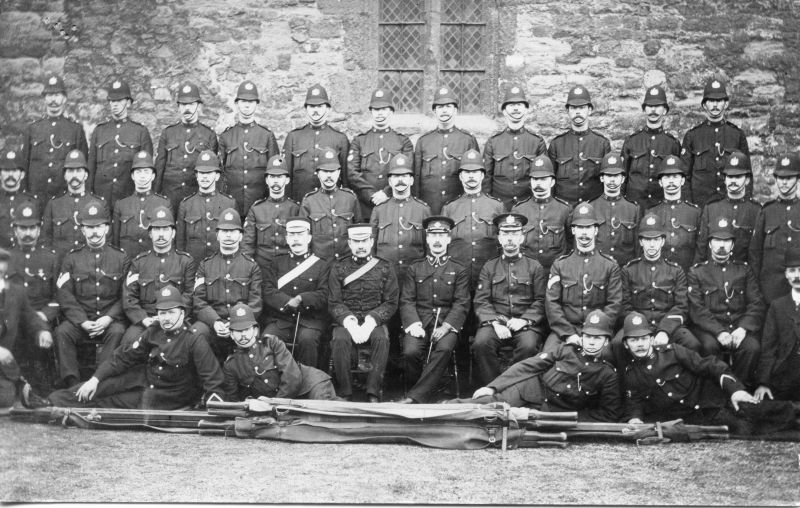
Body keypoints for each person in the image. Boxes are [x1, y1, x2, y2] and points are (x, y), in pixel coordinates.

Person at [46, 284, 226, 410]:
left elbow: (213, 379)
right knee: (100, 386)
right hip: (144, 378)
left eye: (171, 312)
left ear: (182, 313)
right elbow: (123, 358)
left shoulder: (193, 339)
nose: (167, 318)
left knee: (111, 402)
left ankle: (52, 407)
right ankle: (48, 402)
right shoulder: (154, 330)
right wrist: (95, 379)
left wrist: (213, 406)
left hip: (166, 395)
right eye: (162, 313)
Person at [620, 311, 793, 436]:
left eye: (643, 339)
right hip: (697, 422)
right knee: (751, 430)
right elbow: (634, 403)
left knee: (764, 411)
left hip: (715, 403)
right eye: (634, 340)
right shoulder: (631, 374)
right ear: (626, 345)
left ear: (651, 339)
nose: (640, 344)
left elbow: (711, 365)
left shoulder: (673, 352)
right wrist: (635, 419)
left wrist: (735, 390)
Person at [459, 310, 621, 422]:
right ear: (581, 337)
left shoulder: (607, 373)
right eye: (588, 337)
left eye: (598, 338)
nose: (591, 342)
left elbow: (608, 414)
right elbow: (528, 366)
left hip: (552, 410)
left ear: (606, 341)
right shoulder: (565, 350)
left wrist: (567, 418)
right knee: (489, 404)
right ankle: (440, 409)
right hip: (530, 390)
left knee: (499, 419)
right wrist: (493, 387)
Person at [607, 212, 700, 368]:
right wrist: (642, 331)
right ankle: (624, 388)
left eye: (656, 239)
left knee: (693, 344)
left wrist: (664, 330)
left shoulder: (676, 271)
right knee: (617, 344)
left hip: (669, 325)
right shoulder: (629, 270)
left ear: (663, 241)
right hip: (636, 325)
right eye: (647, 240)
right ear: (641, 242)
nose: (652, 245)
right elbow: (624, 307)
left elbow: (681, 307)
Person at [54, 201, 130, 388]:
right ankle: (72, 384)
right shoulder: (71, 258)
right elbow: (64, 295)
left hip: (110, 322)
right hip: (82, 322)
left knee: (119, 332)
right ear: (82, 230)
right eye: (89, 227)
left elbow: (127, 296)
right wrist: (82, 321)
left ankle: (98, 383)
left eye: (98, 227)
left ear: (106, 228)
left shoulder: (121, 258)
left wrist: (109, 318)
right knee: (62, 332)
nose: (94, 232)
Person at [397, 216, 470, 404]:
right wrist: (414, 325)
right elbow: (407, 300)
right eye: (433, 235)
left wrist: (446, 327)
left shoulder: (459, 269)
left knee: (444, 349)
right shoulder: (415, 268)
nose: (437, 240)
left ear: (448, 239)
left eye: (442, 235)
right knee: (410, 352)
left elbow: (461, 302)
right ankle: (426, 390)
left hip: (447, 324)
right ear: (427, 239)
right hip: (420, 322)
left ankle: (415, 397)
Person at [688, 217, 764, 388]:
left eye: (726, 241)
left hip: (738, 326)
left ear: (732, 244)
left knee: (752, 348)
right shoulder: (697, 272)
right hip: (710, 329)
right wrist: (719, 332)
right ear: (709, 244)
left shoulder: (744, 270)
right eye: (717, 240)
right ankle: (717, 392)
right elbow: (696, 309)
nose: (721, 245)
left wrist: (743, 328)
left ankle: (740, 390)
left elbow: (756, 303)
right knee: (709, 347)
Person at [471, 213, 547, 386]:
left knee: (528, 346)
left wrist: (525, 320)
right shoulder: (490, 267)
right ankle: (492, 387)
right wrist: (494, 323)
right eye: (505, 234)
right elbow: (481, 301)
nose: (510, 239)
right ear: (499, 238)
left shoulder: (534, 267)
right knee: (481, 344)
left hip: (525, 324)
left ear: (521, 238)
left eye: (514, 234)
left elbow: (541, 300)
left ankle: (515, 387)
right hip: (496, 323)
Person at [327, 224, 399, 402]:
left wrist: (371, 321)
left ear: (372, 241)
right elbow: (334, 301)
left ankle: (373, 391)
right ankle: (345, 392)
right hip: (346, 321)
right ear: (350, 243)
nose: (360, 246)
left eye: (364, 241)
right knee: (340, 339)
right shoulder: (338, 267)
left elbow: (391, 302)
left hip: (374, 321)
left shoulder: (385, 267)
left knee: (381, 339)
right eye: (356, 241)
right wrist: (349, 322)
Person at [544, 202, 623, 353]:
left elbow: (614, 304)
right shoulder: (560, 265)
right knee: (548, 357)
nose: (584, 233)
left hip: (598, 331)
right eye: (580, 228)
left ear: (595, 230)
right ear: (573, 230)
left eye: (588, 228)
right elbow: (552, 304)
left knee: (606, 357)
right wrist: (568, 334)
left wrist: (595, 332)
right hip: (566, 330)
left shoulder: (610, 266)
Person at [223, 302, 337, 401]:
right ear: (232, 335)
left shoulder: (271, 343)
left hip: (311, 386)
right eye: (238, 331)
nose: (243, 335)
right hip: (287, 403)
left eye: (247, 329)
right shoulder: (231, 365)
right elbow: (233, 400)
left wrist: (275, 405)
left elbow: (292, 378)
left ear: (255, 330)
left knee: (324, 417)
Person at [193, 208, 262, 362]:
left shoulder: (251, 266)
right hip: (213, 323)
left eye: (233, 231)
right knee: (196, 332)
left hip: (242, 323)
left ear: (241, 235)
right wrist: (216, 322)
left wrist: (236, 323)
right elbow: (199, 301)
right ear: (217, 235)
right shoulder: (205, 265)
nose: (228, 235)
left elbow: (255, 303)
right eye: (224, 231)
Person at [121, 205, 196, 347]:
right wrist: (142, 319)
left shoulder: (186, 262)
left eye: (165, 229)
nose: (161, 234)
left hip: (176, 321)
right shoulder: (139, 263)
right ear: (150, 233)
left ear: (173, 233)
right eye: (156, 229)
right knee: (129, 342)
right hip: (146, 321)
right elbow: (129, 297)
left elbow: (190, 294)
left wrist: (174, 318)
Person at [262, 217, 331, 369]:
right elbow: (268, 290)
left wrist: (302, 298)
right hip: (281, 319)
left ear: (309, 237)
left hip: (310, 320)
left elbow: (324, 294)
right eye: (292, 235)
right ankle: (271, 383)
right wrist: (287, 301)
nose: (296, 239)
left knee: (308, 340)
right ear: (286, 238)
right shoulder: (276, 262)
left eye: (300, 234)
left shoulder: (322, 265)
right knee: (268, 338)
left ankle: (308, 384)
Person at [8, 201, 59, 392]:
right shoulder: (6, 258)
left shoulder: (51, 258)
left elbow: (57, 298)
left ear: (39, 230)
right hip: (10, 320)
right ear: (15, 230)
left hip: (40, 318)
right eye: (23, 228)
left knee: (41, 342)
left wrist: (43, 317)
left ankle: (41, 392)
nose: (27, 233)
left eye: (32, 228)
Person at [20, 75, 88, 210]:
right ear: (44, 98)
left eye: (57, 95)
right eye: (49, 95)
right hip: (36, 200)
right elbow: (24, 167)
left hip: (64, 200)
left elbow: (84, 168)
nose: (53, 100)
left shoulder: (75, 130)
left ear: (64, 98)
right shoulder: (32, 129)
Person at [681, 77, 749, 207]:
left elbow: (747, 175)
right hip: (701, 206)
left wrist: (743, 206)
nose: (715, 105)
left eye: (719, 100)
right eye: (711, 101)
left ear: (726, 104)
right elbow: (684, 177)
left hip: (731, 205)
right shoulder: (692, 136)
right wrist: (690, 207)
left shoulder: (737, 135)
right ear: (704, 105)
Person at [441, 149, 505, 288]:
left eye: (475, 172)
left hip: (489, 277)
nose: (471, 176)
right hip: (457, 278)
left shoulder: (497, 206)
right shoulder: (449, 208)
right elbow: (442, 247)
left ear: (482, 175)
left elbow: (503, 245)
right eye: (467, 172)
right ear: (460, 177)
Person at [348, 88, 414, 219]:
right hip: (366, 206)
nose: (380, 113)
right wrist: (371, 195)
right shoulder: (359, 141)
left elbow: (408, 171)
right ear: (371, 112)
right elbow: (352, 173)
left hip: (393, 202)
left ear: (391, 112)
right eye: (376, 109)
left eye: (384, 109)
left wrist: (386, 193)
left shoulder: (403, 141)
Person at [0, 247, 52, 412]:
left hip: (4, 366)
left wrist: (42, 330)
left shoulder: (15, 292)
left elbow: (30, 316)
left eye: (1, 273)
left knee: (5, 400)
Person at [88, 78, 153, 209]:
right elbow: (91, 168)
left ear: (128, 103)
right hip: (101, 200)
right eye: (112, 101)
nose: (115, 105)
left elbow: (146, 170)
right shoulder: (99, 131)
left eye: (119, 101)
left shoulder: (140, 132)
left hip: (128, 200)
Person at [154, 80, 219, 211]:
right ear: (178, 107)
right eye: (183, 104)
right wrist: (156, 197)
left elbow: (214, 171)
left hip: (196, 199)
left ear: (198, 106)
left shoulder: (208, 135)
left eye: (191, 104)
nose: (187, 108)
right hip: (170, 198)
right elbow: (159, 168)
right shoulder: (168, 133)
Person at [414, 86, 479, 214]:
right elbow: (416, 179)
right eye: (440, 107)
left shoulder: (467, 140)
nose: (444, 111)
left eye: (448, 107)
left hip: (460, 209)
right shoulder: (423, 141)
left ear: (455, 110)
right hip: (430, 207)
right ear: (434, 111)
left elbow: (477, 175)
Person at [218, 80, 280, 216]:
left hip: (260, 205)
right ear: (236, 103)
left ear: (257, 104)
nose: (247, 105)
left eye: (251, 101)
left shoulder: (266, 136)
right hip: (231, 206)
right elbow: (219, 174)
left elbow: (276, 171)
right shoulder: (226, 137)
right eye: (243, 101)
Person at [482, 85, 547, 209]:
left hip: (529, 207)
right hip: (500, 207)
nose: (516, 108)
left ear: (526, 109)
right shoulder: (493, 142)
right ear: (504, 111)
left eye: (520, 105)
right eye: (511, 105)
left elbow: (545, 178)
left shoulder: (537, 142)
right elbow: (486, 180)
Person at [369, 153, 431, 281]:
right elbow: (371, 248)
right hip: (385, 277)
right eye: (396, 176)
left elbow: (428, 249)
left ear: (411, 180)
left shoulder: (423, 210)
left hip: (414, 278)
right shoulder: (379, 210)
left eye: (404, 176)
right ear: (390, 182)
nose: (400, 180)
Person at [283, 84, 350, 202]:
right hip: (300, 203)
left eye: (320, 106)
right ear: (306, 109)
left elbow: (345, 180)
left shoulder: (340, 139)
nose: (315, 110)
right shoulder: (293, 137)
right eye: (312, 106)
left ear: (328, 109)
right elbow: (286, 177)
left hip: (330, 205)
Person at [620, 85, 681, 210]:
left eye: (658, 106)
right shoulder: (631, 142)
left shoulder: (672, 144)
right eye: (650, 106)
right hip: (635, 206)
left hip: (662, 206)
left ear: (664, 110)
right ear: (644, 109)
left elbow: (679, 178)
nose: (653, 110)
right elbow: (622, 177)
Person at [548, 85, 611, 205]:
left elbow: (608, 180)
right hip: (565, 207)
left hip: (593, 209)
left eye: (582, 107)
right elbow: (549, 182)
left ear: (590, 110)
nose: (578, 112)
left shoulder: (602, 144)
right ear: (567, 110)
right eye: (573, 108)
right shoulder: (557, 144)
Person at [749, 153, 800, 301]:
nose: (784, 183)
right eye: (781, 178)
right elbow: (755, 253)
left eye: (789, 178)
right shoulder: (766, 211)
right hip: (771, 290)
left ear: (797, 179)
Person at [41, 149, 107, 263]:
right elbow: (45, 241)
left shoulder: (99, 204)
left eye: (79, 170)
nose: (74, 175)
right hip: (61, 265)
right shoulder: (54, 205)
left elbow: (106, 243)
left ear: (86, 175)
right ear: (65, 176)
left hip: (89, 267)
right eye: (70, 171)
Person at [694, 151, 760, 264]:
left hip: (744, 276)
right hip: (713, 276)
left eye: (738, 176)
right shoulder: (711, 208)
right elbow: (702, 249)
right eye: (730, 176)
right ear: (724, 179)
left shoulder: (757, 211)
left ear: (747, 180)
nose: (733, 181)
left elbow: (757, 254)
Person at [242, 155, 301, 276]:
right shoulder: (256, 209)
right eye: (272, 176)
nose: (275, 180)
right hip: (262, 270)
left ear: (287, 180)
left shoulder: (296, 209)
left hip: (289, 271)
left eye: (279, 177)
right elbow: (247, 246)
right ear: (267, 180)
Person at [511, 155, 571, 271]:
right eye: (535, 179)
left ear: (552, 182)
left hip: (554, 272)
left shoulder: (565, 210)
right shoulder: (519, 210)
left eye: (543, 179)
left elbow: (570, 244)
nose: (538, 183)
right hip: (526, 273)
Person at [300, 148, 361, 261]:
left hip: (346, 262)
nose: (329, 176)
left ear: (338, 173)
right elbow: (303, 239)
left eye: (332, 171)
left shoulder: (350, 198)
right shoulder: (309, 201)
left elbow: (359, 233)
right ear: (318, 173)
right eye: (325, 171)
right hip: (320, 263)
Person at [755, 251, 800, 402]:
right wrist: (763, 382)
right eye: (792, 270)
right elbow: (769, 346)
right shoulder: (777, 306)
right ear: (786, 274)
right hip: (784, 376)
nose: (797, 276)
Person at [176, 150, 236, 264]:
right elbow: (180, 245)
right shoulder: (186, 205)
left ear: (217, 176)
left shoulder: (229, 204)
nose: (205, 177)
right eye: (201, 173)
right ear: (196, 176)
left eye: (209, 173)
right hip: (193, 266)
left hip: (220, 266)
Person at [646, 155, 701, 273]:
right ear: (660, 182)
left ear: (682, 181)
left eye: (675, 177)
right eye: (666, 177)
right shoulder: (650, 213)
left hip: (687, 274)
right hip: (659, 276)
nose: (671, 181)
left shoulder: (695, 213)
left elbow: (700, 249)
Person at [111, 150, 170, 258]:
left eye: (146, 172)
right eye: (138, 172)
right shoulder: (121, 205)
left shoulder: (164, 204)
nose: (142, 176)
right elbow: (115, 244)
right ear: (132, 176)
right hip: (127, 263)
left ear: (153, 176)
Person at [588, 153, 641, 265]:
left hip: (624, 268)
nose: (612, 180)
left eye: (616, 176)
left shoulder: (633, 209)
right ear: (602, 178)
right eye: (608, 175)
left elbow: (638, 247)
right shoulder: (591, 207)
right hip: (598, 268)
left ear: (622, 179)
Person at [0, 150, 37, 248]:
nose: (10, 175)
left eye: (15, 170)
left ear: (22, 174)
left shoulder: (32, 202)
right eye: (6, 170)